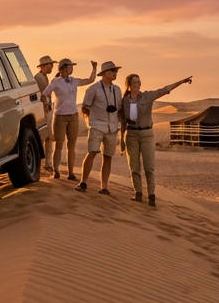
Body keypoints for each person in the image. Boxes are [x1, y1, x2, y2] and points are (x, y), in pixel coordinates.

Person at [119, 72, 193, 206]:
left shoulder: (147, 96)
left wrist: (181, 82)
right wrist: (122, 141)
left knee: (149, 167)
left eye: (139, 82)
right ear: (129, 85)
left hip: (146, 134)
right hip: (131, 135)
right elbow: (123, 122)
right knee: (134, 167)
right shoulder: (124, 101)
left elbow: (164, 90)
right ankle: (138, 193)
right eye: (135, 82)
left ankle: (151, 195)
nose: (138, 84)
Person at [43, 58, 98, 180]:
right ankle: (56, 170)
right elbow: (45, 93)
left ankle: (71, 173)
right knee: (59, 144)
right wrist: (47, 104)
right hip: (60, 116)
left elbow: (90, 80)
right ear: (62, 69)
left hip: (73, 115)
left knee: (71, 146)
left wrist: (94, 69)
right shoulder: (56, 81)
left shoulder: (74, 80)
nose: (71, 69)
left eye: (71, 67)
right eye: (69, 67)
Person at [77, 60, 121, 194]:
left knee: (108, 156)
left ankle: (104, 186)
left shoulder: (117, 90)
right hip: (96, 125)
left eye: (116, 71)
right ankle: (83, 182)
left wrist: (118, 125)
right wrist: (90, 122)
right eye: (112, 71)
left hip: (112, 127)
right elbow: (85, 107)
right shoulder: (93, 89)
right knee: (92, 152)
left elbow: (119, 108)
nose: (115, 73)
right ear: (104, 73)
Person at [33, 56, 56, 173]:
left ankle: (48, 163)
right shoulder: (39, 78)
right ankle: (41, 163)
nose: (51, 67)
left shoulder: (44, 77)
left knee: (48, 137)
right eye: (48, 65)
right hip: (42, 111)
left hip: (46, 110)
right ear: (42, 67)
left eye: (51, 65)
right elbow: (43, 95)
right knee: (43, 137)